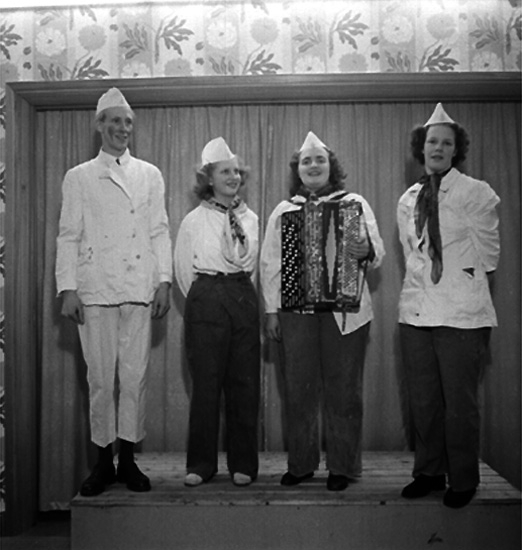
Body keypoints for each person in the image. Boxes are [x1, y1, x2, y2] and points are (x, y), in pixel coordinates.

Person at [56, 87, 173, 496]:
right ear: (99, 125)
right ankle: (103, 463)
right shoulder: (79, 176)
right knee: (101, 380)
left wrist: (164, 280)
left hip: (139, 286)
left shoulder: (149, 174)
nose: (123, 128)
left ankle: (129, 460)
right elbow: (68, 235)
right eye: (115, 121)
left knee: (134, 377)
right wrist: (68, 288)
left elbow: (159, 230)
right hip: (96, 289)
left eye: (128, 122)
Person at [260, 131, 385, 491]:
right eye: (306, 161)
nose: (313, 166)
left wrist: (366, 250)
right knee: (298, 390)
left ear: (332, 166)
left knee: (344, 390)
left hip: (345, 314)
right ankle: (301, 464)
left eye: (320, 160)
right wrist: (271, 311)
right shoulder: (285, 211)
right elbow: (270, 263)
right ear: (297, 170)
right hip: (295, 312)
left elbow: (377, 252)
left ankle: (342, 467)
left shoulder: (354, 203)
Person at [397, 103, 500, 508]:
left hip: (461, 314)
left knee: (459, 404)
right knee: (423, 401)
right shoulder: (409, 198)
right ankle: (429, 472)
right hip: (416, 311)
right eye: (431, 142)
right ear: (421, 148)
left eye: (446, 143)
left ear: (457, 150)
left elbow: (489, 257)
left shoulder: (476, 192)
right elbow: (412, 255)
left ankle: (463, 479)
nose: (437, 148)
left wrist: (460, 283)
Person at [174, 137, 260, 487]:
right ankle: (201, 464)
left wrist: (237, 295)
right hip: (206, 296)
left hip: (242, 295)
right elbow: (183, 272)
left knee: (244, 384)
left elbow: (252, 265)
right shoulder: (193, 221)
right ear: (209, 178)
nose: (233, 177)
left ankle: (244, 464)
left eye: (236, 171)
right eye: (225, 171)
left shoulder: (250, 218)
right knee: (206, 385)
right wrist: (206, 299)